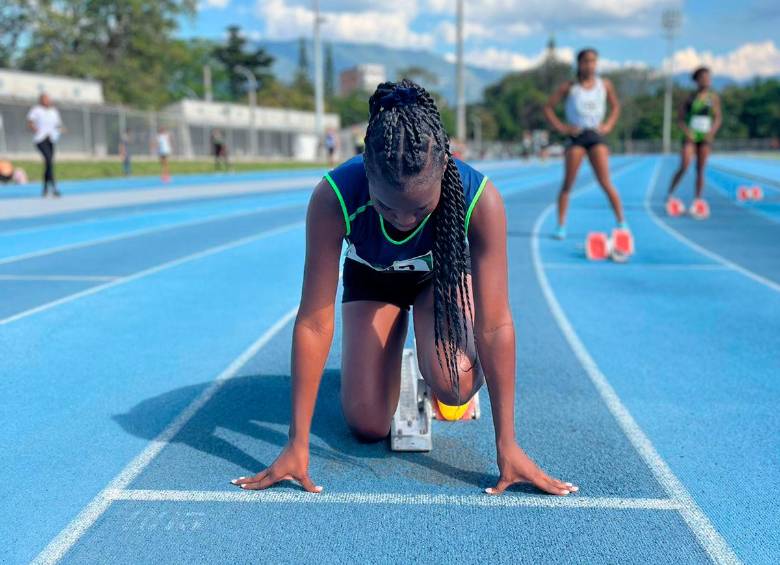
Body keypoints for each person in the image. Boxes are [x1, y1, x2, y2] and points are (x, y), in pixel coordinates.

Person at [230, 80, 578, 497]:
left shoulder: (479, 199)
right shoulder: (334, 196)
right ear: (366, 174)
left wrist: (508, 446)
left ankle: (437, 359)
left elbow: (496, 324)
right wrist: (296, 442)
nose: (403, 220)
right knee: (367, 424)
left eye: (420, 209)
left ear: (445, 172)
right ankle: (399, 356)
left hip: (439, 276)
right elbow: (313, 322)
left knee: (456, 384)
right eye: (386, 206)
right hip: (373, 277)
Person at [543, 48, 627, 240]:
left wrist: (608, 125)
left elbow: (616, 107)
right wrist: (563, 128)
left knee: (605, 181)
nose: (590, 65)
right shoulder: (569, 87)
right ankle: (561, 226)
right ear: (579, 64)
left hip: (596, 136)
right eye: (586, 61)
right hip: (577, 137)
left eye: (594, 61)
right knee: (568, 183)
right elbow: (548, 107)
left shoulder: (604, 85)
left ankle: (621, 222)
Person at [667, 67, 722, 206]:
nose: (707, 80)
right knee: (685, 165)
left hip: (705, 137)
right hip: (691, 136)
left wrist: (712, 132)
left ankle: (697, 199)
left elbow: (718, 118)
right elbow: (680, 119)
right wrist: (687, 132)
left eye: (709, 77)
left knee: (700, 169)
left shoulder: (713, 97)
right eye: (703, 77)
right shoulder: (689, 98)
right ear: (697, 80)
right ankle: (670, 193)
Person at [26, 93, 63, 197]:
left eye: (48, 99)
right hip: (40, 139)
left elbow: (58, 125)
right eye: (45, 99)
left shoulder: (54, 112)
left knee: (49, 163)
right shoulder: (36, 110)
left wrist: (60, 130)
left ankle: (45, 189)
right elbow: (30, 122)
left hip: (51, 139)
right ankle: (54, 187)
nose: (48, 101)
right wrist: (34, 128)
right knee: (48, 160)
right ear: (41, 100)